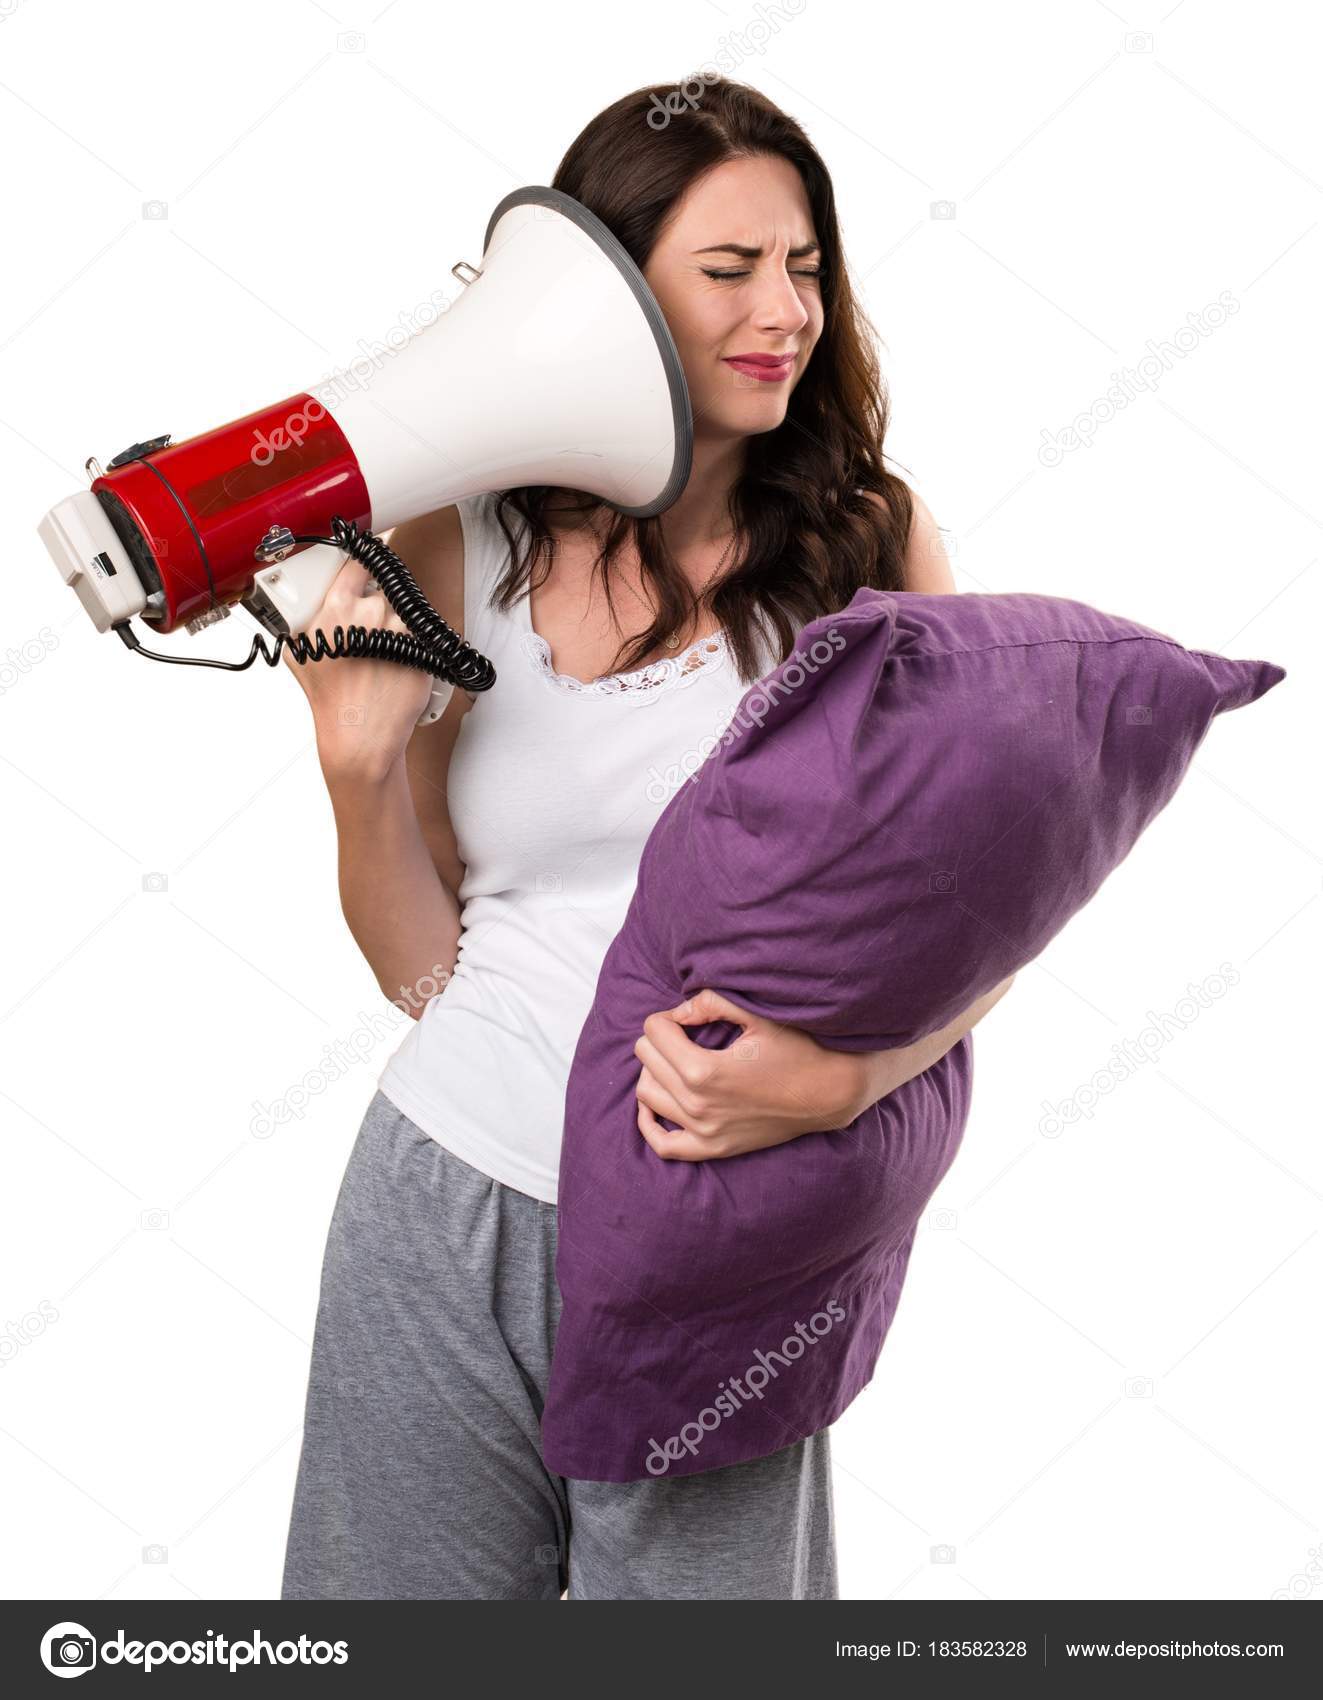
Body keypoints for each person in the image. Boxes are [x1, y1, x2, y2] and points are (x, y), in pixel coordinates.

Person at [279, 78, 1013, 1602]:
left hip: (719, 1239)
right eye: (729, 271)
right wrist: (358, 780)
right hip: (445, 1198)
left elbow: (991, 898)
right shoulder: (456, 538)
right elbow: (427, 970)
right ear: (605, 299)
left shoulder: (873, 549)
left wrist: (846, 1077)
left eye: (805, 266)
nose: (786, 313)